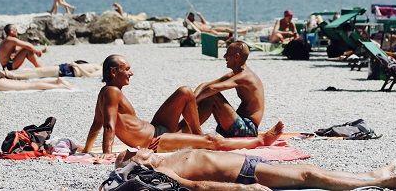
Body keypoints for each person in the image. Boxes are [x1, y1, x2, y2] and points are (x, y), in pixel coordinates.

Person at [83, 55, 281, 155]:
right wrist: (106, 155)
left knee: (185, 92)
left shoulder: (107, 93)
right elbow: (107, 125)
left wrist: (86, 149)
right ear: (113, 72)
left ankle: (197, 134)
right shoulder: (111, 92)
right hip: (156, 141)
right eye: (126, 69)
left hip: (156, 128)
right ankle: (261, 141)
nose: (131, 73)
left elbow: (96, 124)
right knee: (212, 142)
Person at [110, 148, 396, 191]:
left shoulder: (164, 155)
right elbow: (199, 187)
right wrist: (245, 189)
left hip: (248, 162)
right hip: (246, 175)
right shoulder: (162, 172)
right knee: (310, 176)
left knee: (310, 169)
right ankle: (382, 183)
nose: (140, 148)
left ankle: (370, 176)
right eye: (133, 153)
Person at [193, 42, 264, 138]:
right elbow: (205, 85)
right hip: (238, 124)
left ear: (236, 57)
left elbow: (212, 88)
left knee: (213, 96)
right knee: (208, 97)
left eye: (227, 54)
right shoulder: (235, 74)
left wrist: (192, 103)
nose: (224, 56)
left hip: (247, 129)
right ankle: (186, 129)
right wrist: (192, 99)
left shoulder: (245, 76)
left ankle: (188, 130)